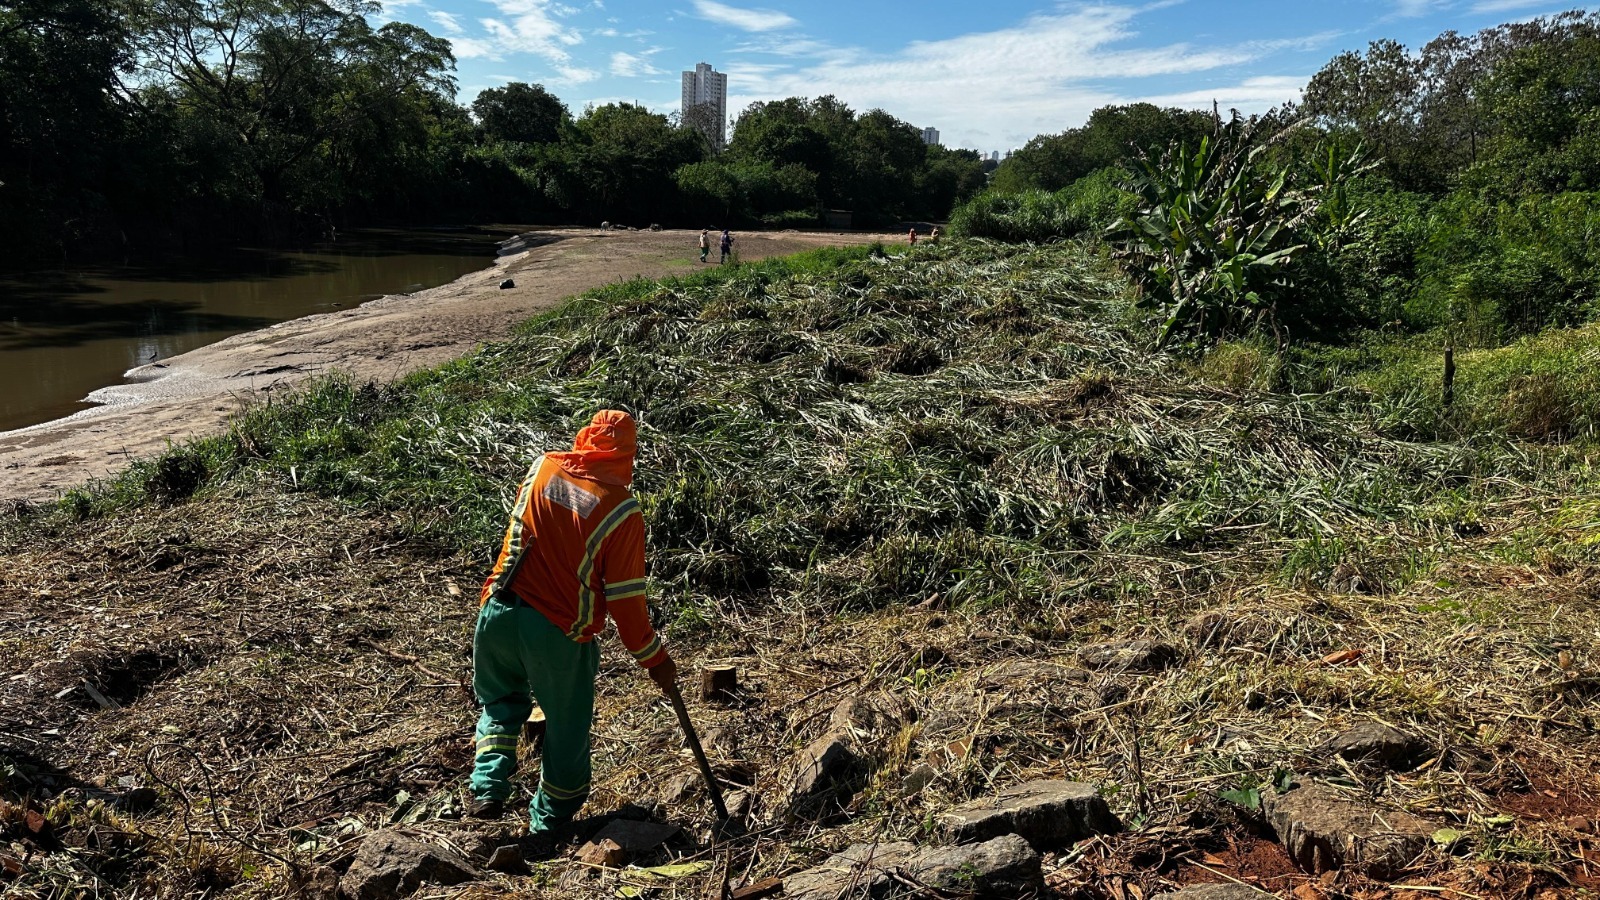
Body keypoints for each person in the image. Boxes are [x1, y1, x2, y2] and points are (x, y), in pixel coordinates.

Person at [468, 410, 677, 833]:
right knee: (566, 729)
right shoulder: (622, 512)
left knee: (500, 705)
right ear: (628, 456)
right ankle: (550, 824)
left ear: (584, 439)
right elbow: (627, 607)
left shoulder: (542, 468)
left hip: (497, 611)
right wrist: (656, 659)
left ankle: (487, 786)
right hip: (557, 633)